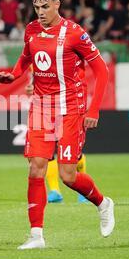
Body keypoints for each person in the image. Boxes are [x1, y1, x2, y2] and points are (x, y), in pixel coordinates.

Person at [0, 0, 115, 249]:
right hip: (41, 107)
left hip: (71, 107)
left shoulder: (74, 33)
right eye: (37, 7)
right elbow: (26, 57)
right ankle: (36, 236)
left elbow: (102, 70)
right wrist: (13, 74)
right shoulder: (31, 30)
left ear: (58, 4)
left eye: (45, 6)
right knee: (36, 166)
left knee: (68, 176)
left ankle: (103, 203)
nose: (40, 12)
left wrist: (93, 110)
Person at [25, 76, 89, 204]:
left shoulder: (66, 58)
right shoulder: (34, 59)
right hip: (46, 108)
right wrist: (31, 87)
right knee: (46, 152)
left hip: (68, 107)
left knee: (72, 152)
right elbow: (35, 80)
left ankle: (83, 192)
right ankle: (55, 191)